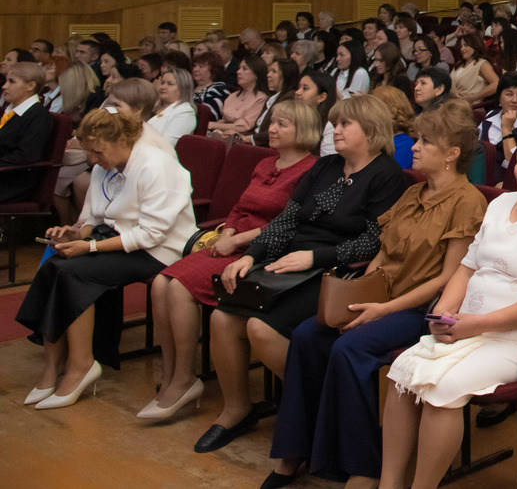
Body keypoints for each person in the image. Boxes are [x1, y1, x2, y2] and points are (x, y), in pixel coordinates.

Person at [263, 102, 486, 485]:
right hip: (382, 297)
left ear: (451, 154)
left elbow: (448, 279)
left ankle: (362, 466)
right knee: (306, 335)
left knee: (349, 349)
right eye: (417, 138)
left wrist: (382, 309)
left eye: (426, 142)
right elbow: (383, 251)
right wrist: (358, 294)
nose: (414, 147)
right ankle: (297, 450)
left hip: (419, 309)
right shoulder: (414, 192)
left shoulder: (468, 202)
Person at [381, 123, 517, 489]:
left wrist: (476, 324)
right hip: (467, 325)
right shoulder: (501, 203)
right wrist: (443, 314)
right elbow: (467, 266)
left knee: (441, 388)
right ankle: (388, 484)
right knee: (401, 371)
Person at [197, 95, 410, 453]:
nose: (336, 130)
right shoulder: (326, 166)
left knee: (259, 327)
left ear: (371, 131)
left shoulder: (387, 175)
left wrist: (313, 257)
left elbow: (374, 243)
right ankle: (237, 410)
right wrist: (251, 257)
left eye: (345, 124)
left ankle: (313, 409)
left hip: (339, 273)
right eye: (335, 123)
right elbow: (288, 220)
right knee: (223, 318)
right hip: (290, 262)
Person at [142, 100, 319, 421]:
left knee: (179, 287)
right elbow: (240, 207)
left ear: (304, 131)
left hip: (263, 251)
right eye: (273, 122)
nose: (272, 129)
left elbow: (288, 225)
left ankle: (184, 378)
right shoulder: (266, 164)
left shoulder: (310, 171)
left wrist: (236, 241)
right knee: (159, 283)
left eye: (282, 124)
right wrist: (228, 233)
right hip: (232, 243)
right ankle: (171, 374)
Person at [18, 107, 196, 410]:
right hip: (117, 239)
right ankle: (52, 367)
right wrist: (75, 233)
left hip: (160, 250)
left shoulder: (156, 165)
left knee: (74, 272)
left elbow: (151, 235)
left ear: (121, 140)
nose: (93, 160)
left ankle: (82, 365)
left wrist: (89, 248)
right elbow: (95, 215)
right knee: (53, 265)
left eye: (97, 152)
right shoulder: (105, 163)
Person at [0, 61, 54, 203]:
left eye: (11, 81)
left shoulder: (38, 115)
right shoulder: (9, 110)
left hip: (11, 181)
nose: (4, 86)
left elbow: (25, 156)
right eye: (6, 81)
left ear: (30, 86)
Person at [476, 72, 517, 185]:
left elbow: (514, 163)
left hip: (509, 185)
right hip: (479, 179)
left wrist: (506, 129)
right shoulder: (490, 116)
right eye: (509, 94)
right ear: (499, 97)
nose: (515, 100)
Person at [150, 67, 199, 146]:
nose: (163, 87)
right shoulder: (154, 106)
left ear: (183, 88)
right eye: (162, 83)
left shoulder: (185, 113)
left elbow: (166, 145)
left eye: (170, 84)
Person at [451, 33, 500, 107]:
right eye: (461, 46)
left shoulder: (482, 64)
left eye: (465, 45)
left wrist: (474, 96)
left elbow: (496, 84)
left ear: (475, 46)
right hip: (453, 104)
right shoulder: (459, 63)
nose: (462, 49)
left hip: (471, 108)